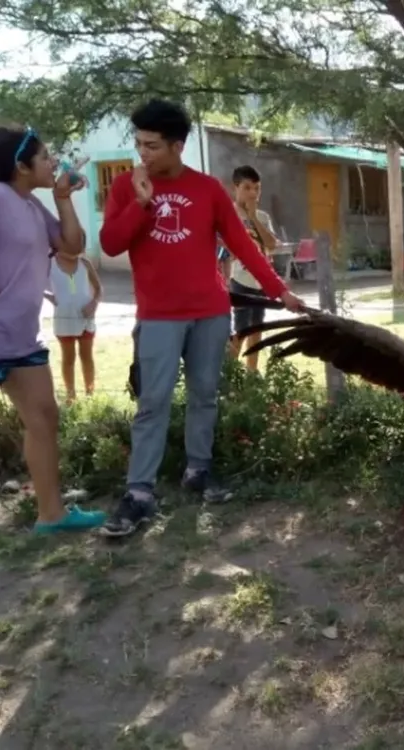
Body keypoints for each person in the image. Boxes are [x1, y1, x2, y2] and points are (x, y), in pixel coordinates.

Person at [98, 99, 304, 538]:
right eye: (138, 144)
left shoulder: (208, 189)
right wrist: (141, 204)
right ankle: (138, 493)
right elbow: (112, 244)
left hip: (210, 312)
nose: (143, 154)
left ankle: (198, 470)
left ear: (177, 145)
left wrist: (279, 291)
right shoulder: (125, 187)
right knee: (152, 403)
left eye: (151, 145)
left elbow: (243, 245)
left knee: (204, 395)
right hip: (158, 316)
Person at [0, 126, 106, 534]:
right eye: (44, 157)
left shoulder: (28, 204)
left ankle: (51, 515)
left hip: (19, 337)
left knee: (44, 416)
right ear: (21, 166)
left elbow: (72, 245)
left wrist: (62, 198)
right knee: (41, 417)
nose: (52, 162)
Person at [227, 165, 279, 371]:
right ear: (236, 187)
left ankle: (251, 373)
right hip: (239, 280)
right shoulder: (228, 214)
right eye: (247, 188)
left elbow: (272, 243)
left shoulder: (263, 217)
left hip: (261, 282)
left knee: (257, 330)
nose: (253, 193)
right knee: (241, 330)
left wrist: (254, 217)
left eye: (257, 188)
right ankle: (229, 373)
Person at [47, 246, 101, 402]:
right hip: (64, 319)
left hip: (86, 317)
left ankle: (90, 395)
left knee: (87, 357)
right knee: (68, 358)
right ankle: (71, 397)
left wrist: (94, 303)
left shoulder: (85, 263)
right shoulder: (49, 264)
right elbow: (32, 285)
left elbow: (98, 289)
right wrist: (49, 296)